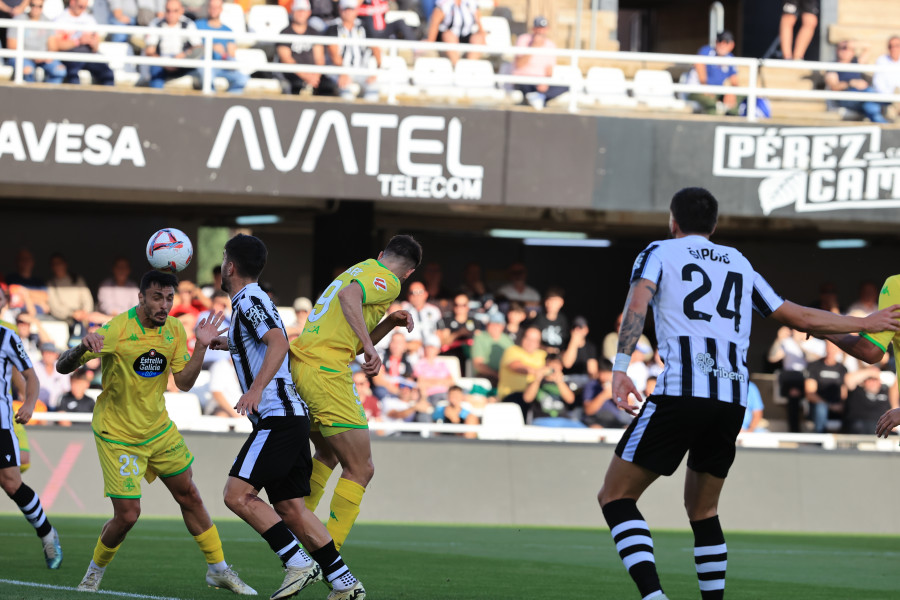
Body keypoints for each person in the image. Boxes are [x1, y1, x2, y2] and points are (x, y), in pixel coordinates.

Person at [598, 186, 900, 600]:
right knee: (703, 511)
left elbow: (637, 304)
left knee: (615, 496)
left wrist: (620, 368)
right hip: (731, 400)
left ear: (673, 222)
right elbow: (797, 316)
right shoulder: (738, 262)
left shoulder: (659, 252)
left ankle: (654, 596)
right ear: (715, 225)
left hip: (683, 390)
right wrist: (863, 321)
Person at [55, 270, 254, 595]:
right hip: (117, 433)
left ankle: (218, 570)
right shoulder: (117, 329)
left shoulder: (175, 329)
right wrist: (80, 349)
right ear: (141, 298)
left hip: (158, 429)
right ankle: (93, 573)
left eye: (169, 298)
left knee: (189, 494)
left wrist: (201, 348)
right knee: (129, 515)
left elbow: (184, 383)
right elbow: (62, 367)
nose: (164, 305)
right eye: (157, 298)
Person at [211, 234, 366, 600]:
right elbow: (266, 340)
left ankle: (296, 562)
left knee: (237, 495)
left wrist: (255, 389)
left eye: (222, 259)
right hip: (291, 417)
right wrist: (228, 343)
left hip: (277, 416)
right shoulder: (251, 301)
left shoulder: (248, 298)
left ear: (230, 266)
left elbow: (279, 342)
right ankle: (344, 582)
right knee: (291, 508)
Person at [288, 235, 422, 550]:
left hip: (303, 366)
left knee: (329, 452)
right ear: (409, 273)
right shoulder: (389, 282)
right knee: (362, 467)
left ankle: (295, 528)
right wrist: (372, 348)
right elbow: (350, 299)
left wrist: (388, 323)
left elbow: (351, 336)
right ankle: (328, 556)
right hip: (326, 372)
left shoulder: (358, 269)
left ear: (380, 254)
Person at [0, 304, 63, 569]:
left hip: (1, 424)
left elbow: (30, 376)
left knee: (11, 483)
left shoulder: (7, 336)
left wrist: (29, 402)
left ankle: (47, 534)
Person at [276, 0, 337, 96]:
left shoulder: (314, 33)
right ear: (292, 11)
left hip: (312, 74)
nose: (301, 14)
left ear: (309, 12)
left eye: (303, 10)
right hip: (293, 73)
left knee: (327, 86)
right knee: (297, 85)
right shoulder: (285, 33)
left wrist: (315, 75)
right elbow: (286, 59)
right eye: (298, 10)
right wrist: (305, 76)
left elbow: (319, 58)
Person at [51, 0, 116, 86]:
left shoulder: (90, 19)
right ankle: (75, 98)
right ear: (72, 2)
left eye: (85, 7)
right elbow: (56, 45)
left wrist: (92, 42)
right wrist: (78, 41)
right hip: (70, 55)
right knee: (73, 76)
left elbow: (96, 46)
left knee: (107, 73)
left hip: (88, 55)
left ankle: (108, 98)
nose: (83, 9)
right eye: (81, 6)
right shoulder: (60, 19)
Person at [326, 0, 381, 101]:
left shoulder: (364, 26)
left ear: (356, 10)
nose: (348, 12)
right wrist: (343, 72)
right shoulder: (333, 28)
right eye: (345, 9)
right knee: (346, 93)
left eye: (351, 9)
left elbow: (376, 48)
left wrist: (377, 69)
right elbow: (334, 54)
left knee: (373, 90)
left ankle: (368, 114)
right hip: (340, 71)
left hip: (361, 70)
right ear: (340, 10)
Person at [825, 40, 889, 123]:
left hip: (864, 95)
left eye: (848, 48)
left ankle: (884, 124)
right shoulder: (832, 66)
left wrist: (852, 44)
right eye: (843, 48)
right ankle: (887, 102)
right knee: (871, 98)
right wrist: (851, 83)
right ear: (837, 50)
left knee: (870, 106)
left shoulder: (856, 62)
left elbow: (868, 47)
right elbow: (834, 87)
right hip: (847, 96)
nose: (845, 50)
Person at [195, 0, 250, 92]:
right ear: (208, 8)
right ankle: (210, 101)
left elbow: (232, 54)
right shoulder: (198, 25)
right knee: (208, 76)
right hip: (205, 65)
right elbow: (193, 47)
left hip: (223, 65)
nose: (213, 10)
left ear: (221, 9)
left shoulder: (228, 30)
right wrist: (211, 47)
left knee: (242, 78)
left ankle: (228, 102)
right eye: (211, 7)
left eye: (216, 7)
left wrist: (226, 53)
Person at [145, 0, 202, 89]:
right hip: (161, 63)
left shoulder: (188, 24)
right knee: (155, 72)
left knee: (202, 73)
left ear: (182, 10)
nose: (171, 14)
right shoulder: (156, 23)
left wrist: (184, 55)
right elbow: (149, 51)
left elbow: (198, 47)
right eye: (168, 10)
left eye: (175, 10)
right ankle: (156, 100)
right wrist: (165, 63)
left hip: (183, 62)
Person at [7, 0, 68, 84]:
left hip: (42, 58)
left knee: (59, 70)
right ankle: (30, 96)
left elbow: (53, 47)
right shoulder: (19, 19)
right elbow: (12, 46)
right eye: (33, 5)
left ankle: (48, 94)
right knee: (28, 70)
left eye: (39, 6)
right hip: (24, 57)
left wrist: (44, 57)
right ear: (29, 5)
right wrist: (32, 56)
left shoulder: (47, 21)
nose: (36, 8)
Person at [513, 16, 565, 110]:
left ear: (547, 29)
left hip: (540, 81)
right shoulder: (524, 39)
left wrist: (545, 83)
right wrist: (533, 47)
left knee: (565, 85)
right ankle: (540, 98)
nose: (540, 31)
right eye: (538, 28)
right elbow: (519, 64)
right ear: (533, 29)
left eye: (543, 28)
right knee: (524, 84)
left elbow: (549, 70)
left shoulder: (551, 45)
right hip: (525, 79)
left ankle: (537, 98)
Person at [686, 31, 740, 115]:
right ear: (716, 42)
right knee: (712, 106)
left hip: (716, 91)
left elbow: (735, 81)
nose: (722, 44)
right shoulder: (706, 51)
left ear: (732, 45)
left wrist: (731, 92)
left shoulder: (730, 57)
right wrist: (706, 88)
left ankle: (733, 125)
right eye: (720, 41)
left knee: (737, 99)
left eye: (726, 42)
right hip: (698, 90)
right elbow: (701, 73)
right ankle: (714, 127)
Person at [497, 325, 546, 408]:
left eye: (535, 340)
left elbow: (556, 366)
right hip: (511, 396)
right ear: (522, 338)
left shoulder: (542, 354)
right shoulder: (512, 350)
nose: (531, 343)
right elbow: (516, 366)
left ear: (539, 343)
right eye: (528, 338)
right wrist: (539, 372)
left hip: (535, 396)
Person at [804, 340, 847, 433]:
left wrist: (842, 405)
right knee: (821, 408)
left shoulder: (842, 369)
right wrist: (830, 406)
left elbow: (844, 394)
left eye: (834, 347)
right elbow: (810, 393)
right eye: (829, 347)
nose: (831, 350)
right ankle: (819, 439)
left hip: (837, 407)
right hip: (818, 407)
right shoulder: (814, 366)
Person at [425, 0, 484, 66]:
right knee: (449, 36)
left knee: (478, 38)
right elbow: (435, 23)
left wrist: (482, 38)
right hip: (446, 37)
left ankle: (470, 67)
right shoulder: (443, 3)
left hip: (465, 35)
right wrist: (430, 40)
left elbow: (480, 25)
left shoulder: (471, 3)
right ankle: (457, 66)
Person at [47, 253, 94, 332]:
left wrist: (84, 313)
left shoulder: (77, 279)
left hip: (83, 320)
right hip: (64, 323)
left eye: (60, 263)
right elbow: (54, 307)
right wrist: (72, 314)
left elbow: (87, 300)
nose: (58, 266)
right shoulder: (51, 284)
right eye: (55, 264)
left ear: (65, 264)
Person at [843, 368, 894, 434]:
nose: (873, 382)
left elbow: (895, 381)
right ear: (864, 381)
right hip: (858, 427)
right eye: (870, 379)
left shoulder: (886, 392)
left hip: (880, 428)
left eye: (875, 379)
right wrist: (870, 372)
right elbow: (848, 380)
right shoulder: (857, 390)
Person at [437, 292, 482, 365]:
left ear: (468, 306)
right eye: (456, 305)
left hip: (470, 358)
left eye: (463, 305)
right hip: (451, 356)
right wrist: (458, 333)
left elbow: (480, 341)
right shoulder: (447, 320)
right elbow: (443, 343)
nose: (459, 308)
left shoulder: (475, 322)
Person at [471, 312, 513, 387]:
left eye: (498, 324)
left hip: (505, 375)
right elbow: (478, 364)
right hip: (486, 376)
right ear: (487, 325)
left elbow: (512, 360)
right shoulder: (480, 338)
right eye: (492, 323)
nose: (495, 327)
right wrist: (497, 375)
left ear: (502, 326)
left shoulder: (508, 340)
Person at [402, 280, 442, 355]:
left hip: (431, 353)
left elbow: (440, 333)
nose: (416, 296)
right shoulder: (403, 310)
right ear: (408, 295)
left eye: (420, 292)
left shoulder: (434, 311)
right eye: (413, 293)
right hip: (410, 353)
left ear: (426, 294)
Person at [530, 286, 570, 357]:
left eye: (553, 301)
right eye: (548, 300)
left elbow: (566, 340)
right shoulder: (539, 319)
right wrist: (546, 349)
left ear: (561, 302)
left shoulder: (563, 320)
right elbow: (530, 341)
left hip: (559, 357)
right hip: (540, 356)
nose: (549, 304)